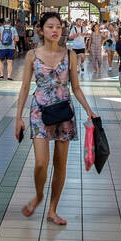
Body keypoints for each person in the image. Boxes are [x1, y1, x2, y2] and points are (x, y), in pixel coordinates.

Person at [15, 12, 97, 226]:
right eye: (50, 26)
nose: (55, 30)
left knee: (61, 164)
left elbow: (76, 87)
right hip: (39, 111)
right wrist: (18, 118)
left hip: (63, 111)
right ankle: (39, 195)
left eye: (58, 27)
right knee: (41, 163)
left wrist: (89, 110)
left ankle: (52, 209)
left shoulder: (69, 54)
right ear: (41, 30)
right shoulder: (32, 55)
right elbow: (25, 87)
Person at [0, 15, 18, 80]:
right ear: (10, 23)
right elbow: (17, 39)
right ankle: (9, 76)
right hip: (11, 47)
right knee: (9, 62)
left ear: (4, 23)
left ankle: (1, 75)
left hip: (2, 47)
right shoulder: (13, 28)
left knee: (1, 61)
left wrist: (0, 37)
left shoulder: (0, 28)